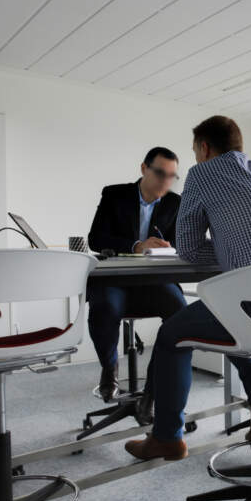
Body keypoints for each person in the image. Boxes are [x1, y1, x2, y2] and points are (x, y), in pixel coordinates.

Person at [125, 117, 251, 461]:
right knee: (226, 313)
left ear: (204, 148)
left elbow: (186, 247)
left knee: (172, 334)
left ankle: (167, 438)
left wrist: (229, 250)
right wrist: (234, 247)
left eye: (194, 153)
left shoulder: (204, 173)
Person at [87, 147, 186, 401]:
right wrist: (136, 246)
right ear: (144, 169)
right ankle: (110, 369)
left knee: (180, 312)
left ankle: (154, 387)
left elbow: (180, 244)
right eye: (160, 173)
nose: (166, 181)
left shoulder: (176, 203)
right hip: (116, 281)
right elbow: (96, 238)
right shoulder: (114, 194)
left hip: (154, 281)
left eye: (172, 176)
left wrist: (171, 247)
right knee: (105, 307)